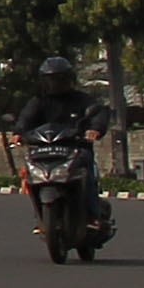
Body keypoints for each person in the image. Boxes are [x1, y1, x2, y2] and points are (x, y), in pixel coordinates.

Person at [12, 56, 113, 248]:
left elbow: (98, 113)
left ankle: (92, 215)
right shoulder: (39, 102)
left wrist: (95, 129)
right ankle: (40, 215)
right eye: (50, 79)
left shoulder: (82, 100)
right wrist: (18, 133)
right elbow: (25, 119)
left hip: (76, 149)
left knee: (87, 173)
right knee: (30, 174)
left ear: (70, 79)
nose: (55, 84)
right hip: (45, 150)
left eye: (59, 79)